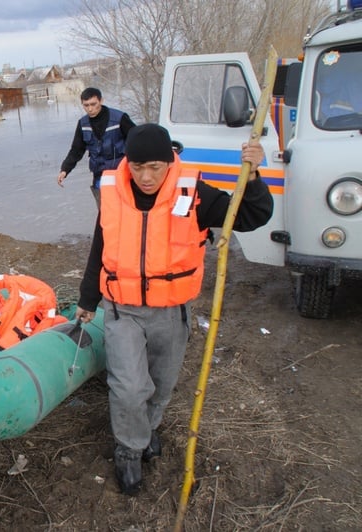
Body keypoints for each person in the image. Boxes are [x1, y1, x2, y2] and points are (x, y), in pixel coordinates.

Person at [74, 123, 273, 495]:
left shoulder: (194, 192)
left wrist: (255, 174)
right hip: (123, 309)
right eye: (137, 167)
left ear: (170, 162)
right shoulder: (113, 192)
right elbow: (100, 246)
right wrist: (88, 300)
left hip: (171, 311)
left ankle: (146, 429)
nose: (145, 177)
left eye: (155, 167)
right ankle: (129, 450)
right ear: (127, 163)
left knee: (160, 386)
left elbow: (250, 216)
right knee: (129, 387)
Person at [56, 87, 136, 203]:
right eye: (86, 105)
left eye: (93, 104)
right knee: (104, 213)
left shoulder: (119, 118)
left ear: (101, 101)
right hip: (99, 176)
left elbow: (137, 141)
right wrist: (65, 170)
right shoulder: (83, 124)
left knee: (126, 208)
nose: (90, 109)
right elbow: (76, 150)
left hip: (121, 173)